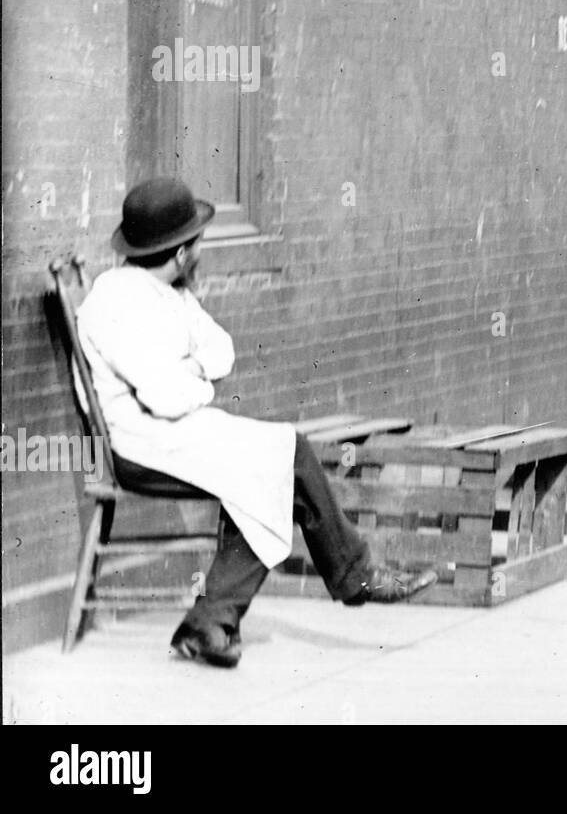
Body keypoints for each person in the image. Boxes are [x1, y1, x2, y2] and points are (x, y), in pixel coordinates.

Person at [76, 177, 437, 668]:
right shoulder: (116, 302)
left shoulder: (168, 291)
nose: (200, 250)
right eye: (197, 242)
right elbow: (166, 397)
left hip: (175, 433)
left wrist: (190, 371)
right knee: (283, 458)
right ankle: (348, 578)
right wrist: (195, 378)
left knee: (280, 455)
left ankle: (216, 621)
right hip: (139, 448)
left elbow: (220, 348)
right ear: (181, 253)